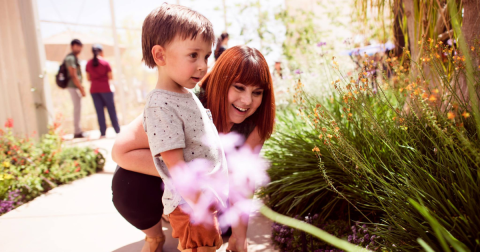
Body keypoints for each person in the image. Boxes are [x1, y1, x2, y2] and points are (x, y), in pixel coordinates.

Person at [112, 45, 275, 252]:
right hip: (172, 192)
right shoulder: (184, 98)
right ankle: (155, 237)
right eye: (239, 87)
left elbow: (244, 179)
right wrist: (189, 177)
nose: (247, 101)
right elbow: (120, 151)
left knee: (218, 230)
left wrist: (239, 238)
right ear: (221, 81)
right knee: (127, 183)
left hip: (213, 200)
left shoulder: (257, 123)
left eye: (257, 92)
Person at [116, 4, 228, 252]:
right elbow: (176, 165)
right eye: (193, 55)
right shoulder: (161, 104)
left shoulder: (185, 94)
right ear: (160, 56)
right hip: (191, 205)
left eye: (206, 56)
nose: (203, 65)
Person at [85, 44, 121, 138]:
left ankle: (103, 132)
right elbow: (110, 76)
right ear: (101, 52)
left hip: (94, 90)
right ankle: (117, 130)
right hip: (106, 89)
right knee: (111, 110)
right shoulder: (105, 62)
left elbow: (88, 78)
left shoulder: (88, 63)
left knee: (99, 111)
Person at [65, 39, 86, 138]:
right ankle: (77, 131)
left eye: (80, 46)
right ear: (72, 46)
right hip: (73, 87)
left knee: (78, 108)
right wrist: (81, 88)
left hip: (75, 86)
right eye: (77, 46)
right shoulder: (70, 58)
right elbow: (73, 75)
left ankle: (78, 130)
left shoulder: (74, 58)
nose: (79, 48)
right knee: (77, 108)